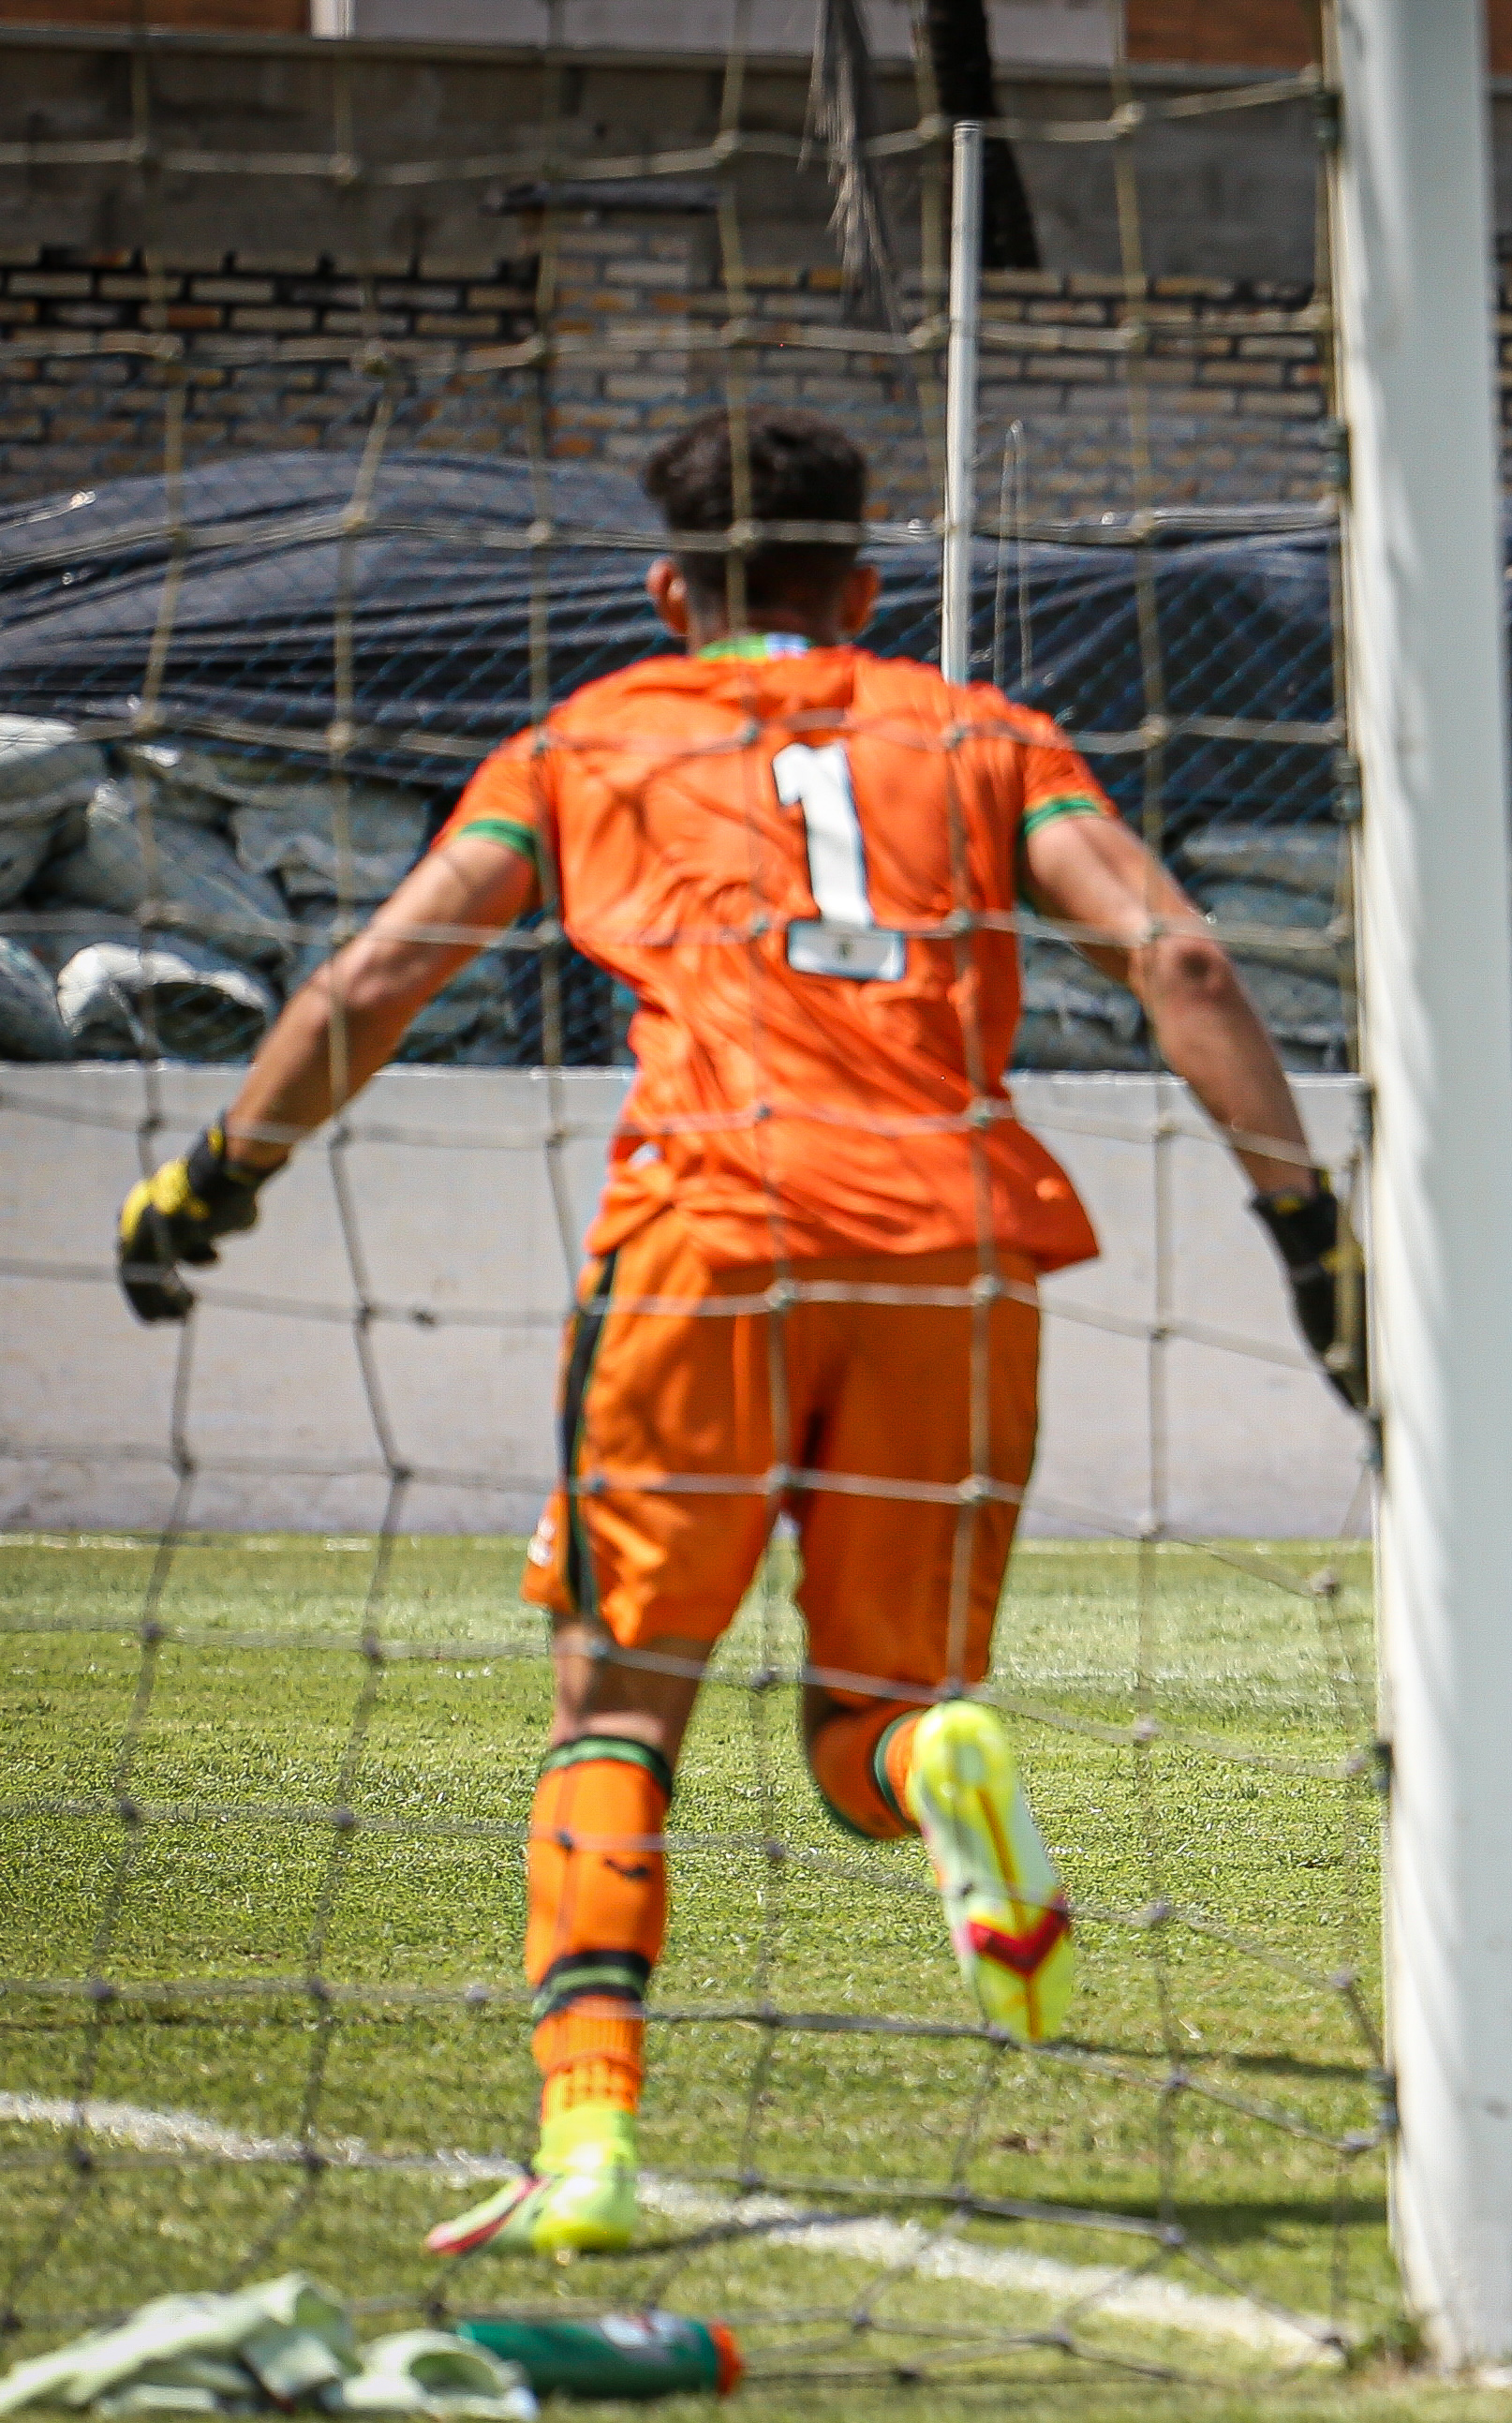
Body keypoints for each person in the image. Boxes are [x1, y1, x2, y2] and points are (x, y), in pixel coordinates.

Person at [110, 407, 1364, 2253]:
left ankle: (592, 2141)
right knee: (878, 1716)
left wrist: (214, 1175)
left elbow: (374, 972)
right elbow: (1182, 959)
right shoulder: (987, 734)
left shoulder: (587, 740)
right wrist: (1307, 1230)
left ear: (666, 590)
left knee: (615, 1708)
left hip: (708, 1237)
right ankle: (935, 1770)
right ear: (862, 584)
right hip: (950, 1252)